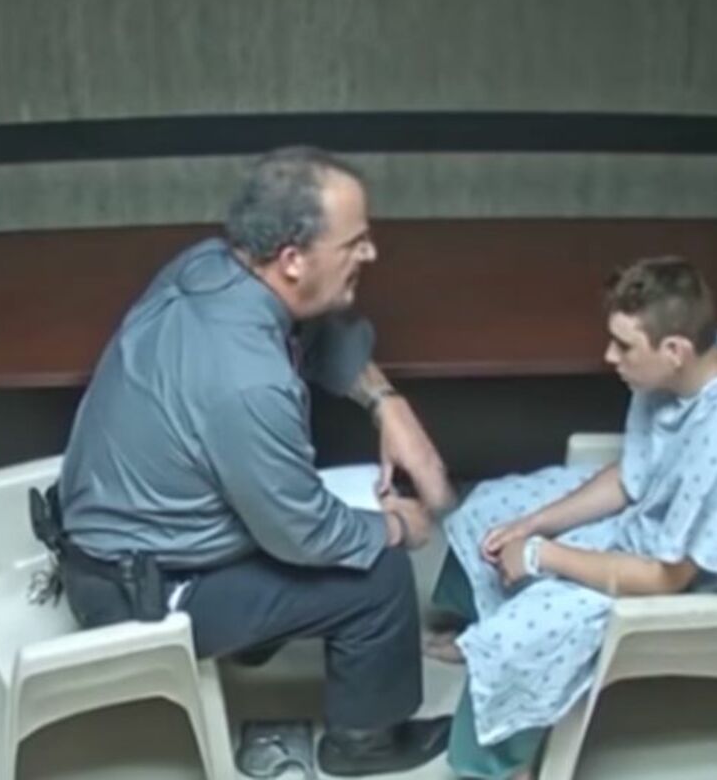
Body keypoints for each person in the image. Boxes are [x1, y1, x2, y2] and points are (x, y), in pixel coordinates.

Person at [55, 146, 457, 776]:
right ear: (292, 259)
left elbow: (317, 328)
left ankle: (257, 639)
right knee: (378, 573)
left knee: (325, 505)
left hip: (111, 536)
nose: (371, 253)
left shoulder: (210, 265)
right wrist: (397, 527)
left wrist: (387, 406)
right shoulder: (249, 381)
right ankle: (365, 744)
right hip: (138, 588)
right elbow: (302, 534)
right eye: (355, 242)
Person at [428, 256, 717, 780]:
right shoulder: (700, 363)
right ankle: (473, 624)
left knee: (520, 636)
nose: (609, 357)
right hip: (653, 519)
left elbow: (666, 578)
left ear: (674, 351)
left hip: (677, 578)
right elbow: (633, 476)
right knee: (491, 507)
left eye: (624, 346)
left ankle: (491, 765)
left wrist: (542, 556)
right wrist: (533, 525)